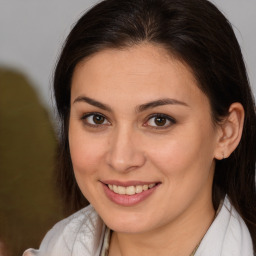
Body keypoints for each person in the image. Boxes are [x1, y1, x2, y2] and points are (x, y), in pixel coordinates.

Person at [23, 0, 256, 255]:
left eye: (159, 120)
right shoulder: (55, 247)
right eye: (97, 118)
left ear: (226, 132)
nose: (121, 159)